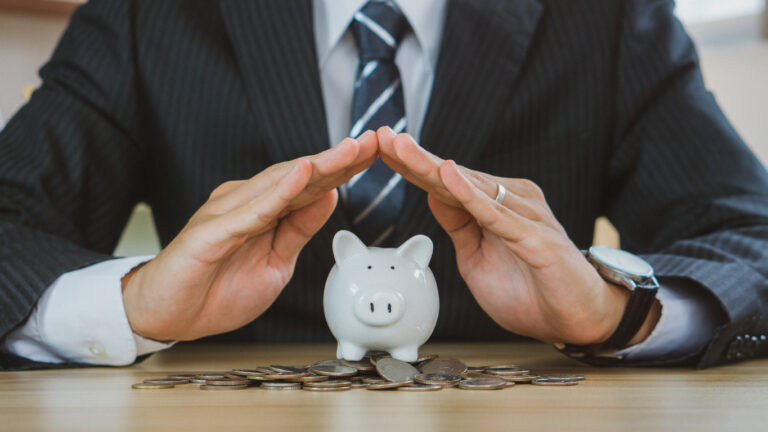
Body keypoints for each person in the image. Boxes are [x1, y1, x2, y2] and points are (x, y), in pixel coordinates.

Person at [1, 0, 767, 371]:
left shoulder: (605, 18)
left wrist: (615, 312)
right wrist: (132, 304)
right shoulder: (146, 14)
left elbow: (751, 234)